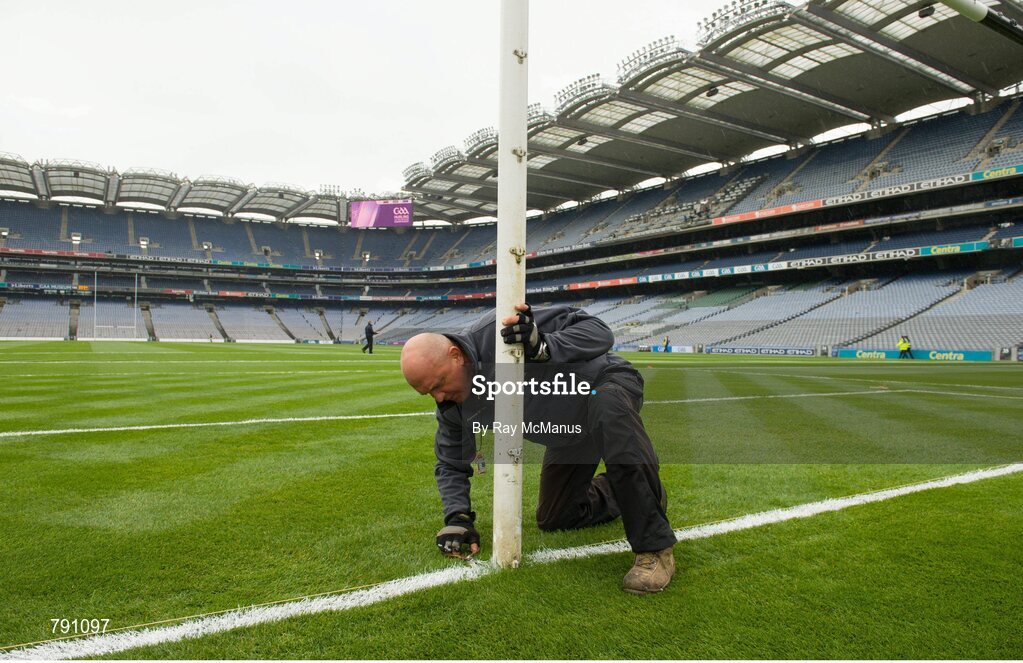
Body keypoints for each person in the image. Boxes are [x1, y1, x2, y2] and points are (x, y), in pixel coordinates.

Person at [400, 303, 676, 594]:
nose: (439, 396)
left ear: (456, 356)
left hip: (602, 384)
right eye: (428, 393)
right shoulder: (451, 405)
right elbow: (450, 462)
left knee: (609, 411)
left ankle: (655, 549)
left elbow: (600, 333)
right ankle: (637, 489)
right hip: (568, 432)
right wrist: (458, 519)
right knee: (556, 517)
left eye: (439, 384)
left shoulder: (500, 328)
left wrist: (543, 345)